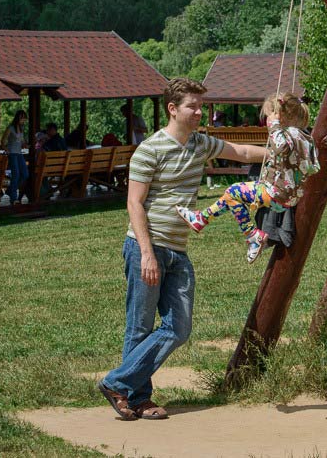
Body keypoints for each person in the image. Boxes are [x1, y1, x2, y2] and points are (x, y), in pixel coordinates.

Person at [98, 78, 267, 421]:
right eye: (193, 106)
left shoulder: (201, 144)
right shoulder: (150, 150)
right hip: (147, 247)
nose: (199, 112)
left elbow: (245, 153)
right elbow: (134, 203)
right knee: (140, 327)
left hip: (178, 250)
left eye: (201, 106)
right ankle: (138, 399)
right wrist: (146, 254)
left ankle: (117, 383)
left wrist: (287, 151)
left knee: (179, 327)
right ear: (173, 109)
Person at [176, 93, 319, 264]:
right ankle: (201, 219)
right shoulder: (306, 137)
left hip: (275, 193)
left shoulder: (290, 134)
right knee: (231, 196)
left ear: (279, 116)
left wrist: (273, 126)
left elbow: (281, 148)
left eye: (268, 116)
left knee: (233, 191)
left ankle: (252, 235)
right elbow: (312, 167)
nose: (267, 120)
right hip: (288, 196)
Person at [1, 110, 28, 205]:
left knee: (25, 174)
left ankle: (10, 190)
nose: (23, 120)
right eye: (22, 118)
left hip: (19, 153)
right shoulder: (10, 128)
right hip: (12, 153)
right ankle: (13, 198)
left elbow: (22, 141)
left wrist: (25, 144)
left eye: (24, 118)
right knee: (16, 174)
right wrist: (6, 149)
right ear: (17, 118)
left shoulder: (21, 128)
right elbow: (3, 141)